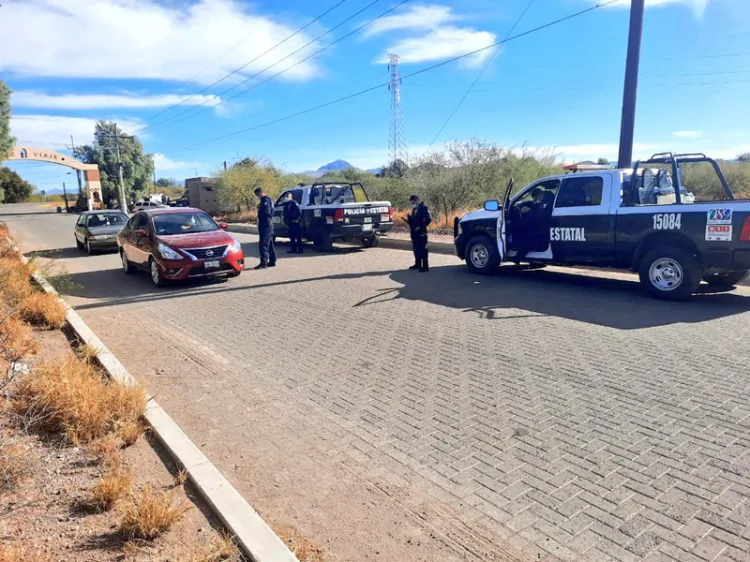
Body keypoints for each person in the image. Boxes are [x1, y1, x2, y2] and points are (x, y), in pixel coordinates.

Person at [406, 194, 431, 272]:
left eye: (412, 201)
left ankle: (425, 266)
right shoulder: (414, 209)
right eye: (411, 201)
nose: (411, 203)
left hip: (421, 232)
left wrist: (420, 227)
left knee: (423, 249)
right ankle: (418, 264)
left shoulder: (423, 208)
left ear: (416, 200)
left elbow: (428, 219)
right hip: (414, 232)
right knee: (416, 249)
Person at [254, 186, 276, 269]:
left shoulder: (265, 200)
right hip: (268, 223)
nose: (257, 197)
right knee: (269, 242)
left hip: (265, 224)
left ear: (260, 192)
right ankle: (272, 260)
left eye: (257, 195)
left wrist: (265, 219)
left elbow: (267, 212)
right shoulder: (268, 199)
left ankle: (263, 262)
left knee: (263, 244)